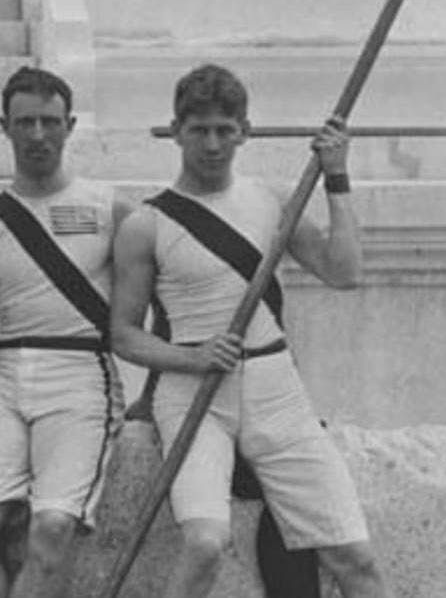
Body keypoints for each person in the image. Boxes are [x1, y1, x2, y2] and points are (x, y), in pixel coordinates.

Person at [110, 64, 388, 597]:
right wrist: (192, 358)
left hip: (276, 390)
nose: (213, 144)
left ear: (245, 131)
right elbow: (123, 335)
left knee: (355, 557)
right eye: (199, 130)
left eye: (224, 130)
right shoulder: (148, 224)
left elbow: (344, 272)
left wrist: (336, 176)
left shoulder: (270, 202)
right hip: (194, 395)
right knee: (205, 545)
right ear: (175, 131)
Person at [0, 67, 130, 598]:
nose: (38, 135)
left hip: (82, 375)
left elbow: (163, 295)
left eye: (50, 122)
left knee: (53, 528)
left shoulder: (111, 209)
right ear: (4, 127)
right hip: (8, 374)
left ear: (70, 125)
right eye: (26, 122)